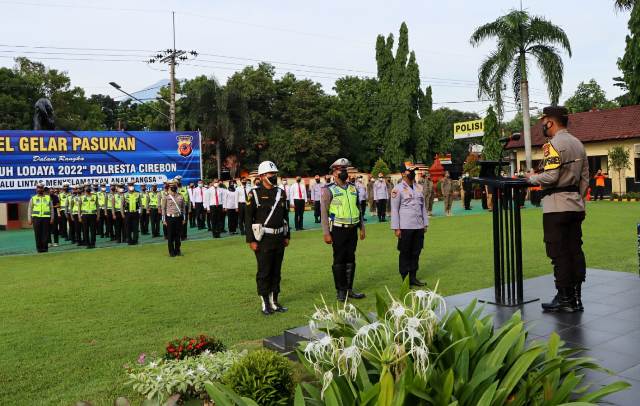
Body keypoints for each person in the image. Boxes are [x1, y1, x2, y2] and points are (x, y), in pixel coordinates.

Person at [525, 106, 589, 313]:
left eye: (543, 121)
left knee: (558, 252)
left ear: (550, 122)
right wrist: (578, 199)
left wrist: (531, 178)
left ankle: (564, 298)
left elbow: (550, 177)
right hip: (575, 205)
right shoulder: (578, 144)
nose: (542, 125)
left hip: (556, 207)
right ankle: (576, 297)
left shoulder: (552, 145)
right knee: (574, 250)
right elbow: (585, 179)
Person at [245, 161, 290, 315]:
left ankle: (275, 301)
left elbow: (285, 216)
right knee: (264, 272)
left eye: (275, 174)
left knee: (277, 271)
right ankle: (265, 303)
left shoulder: (281, 193)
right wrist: (251, 240)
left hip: (279, 237)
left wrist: (287, 235)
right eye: (271, 174)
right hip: (263, 239)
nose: (274, 176)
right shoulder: (254, 194)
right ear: (262, 176)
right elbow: (248, 218)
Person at [321, 158, 366, 302]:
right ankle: (341, 290)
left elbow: (358, 209)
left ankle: (349, 289)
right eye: (341, 170)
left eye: (345, 170)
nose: (344, 172)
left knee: (351, 258)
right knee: (339, 259)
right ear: (334, 172)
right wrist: (326, 233)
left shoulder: (353, 188)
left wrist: (362, 228)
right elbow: (324, 212)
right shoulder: (329, 190)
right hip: (338, 230)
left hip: (352, 229)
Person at [390, 163, 429, 286]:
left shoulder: (419, 187)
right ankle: (405, 279)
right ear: (403, 174)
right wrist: (396, 228)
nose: (412, 173)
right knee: (405, 252)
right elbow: (394, 209)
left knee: (416, 252)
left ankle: (413, 277)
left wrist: (425, 223)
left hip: (418, 226)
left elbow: (423, 207)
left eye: (413, 171)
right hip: (405, 227)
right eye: (409, 171)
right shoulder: (397, 189)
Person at [162, 180, 186, 257]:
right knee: (170, 236)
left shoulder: (181, 196)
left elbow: (183, 208)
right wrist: (163, 220)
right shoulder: (166, 197)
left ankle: (178, 251)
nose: (173, 187)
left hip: (178, 218)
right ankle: (171, 252)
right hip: (170, 218)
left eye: (174, 186)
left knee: (178, 236)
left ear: (176, 186)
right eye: (172, 186)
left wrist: (184, 218)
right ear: (169, 187)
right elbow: (163, 209)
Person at [28, 183, 53, 253]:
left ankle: (45, 248)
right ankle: (39, 248)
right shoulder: (33, 198)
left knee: (45, 234)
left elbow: (51, 208)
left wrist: (52, 218)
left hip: (46, 218)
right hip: (36, 218)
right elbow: (30, 209)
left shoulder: (48, 197)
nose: (39, 189)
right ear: (36, 189)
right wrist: (29, 219)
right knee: (37, 234)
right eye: (38, 188)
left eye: (41, 188)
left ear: (43, 189)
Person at [78, 185, 99, 249]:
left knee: (93, 230)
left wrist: (98, 215)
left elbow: (97, 206)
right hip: (85, 215)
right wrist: (79, 216)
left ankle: (93, 243)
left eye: (89, 187)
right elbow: (79, 207)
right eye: (86, 187)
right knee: (85, 230)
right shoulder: (81, 197)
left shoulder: (95, 196)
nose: (88, 188)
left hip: (93, 215)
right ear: (84, 189)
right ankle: (87, 244)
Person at [175, 176, 190, 240]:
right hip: (177, 208)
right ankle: (179, 236)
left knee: (184, 222)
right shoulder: (175, 189)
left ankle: (184, 236)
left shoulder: (185, 188)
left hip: (185, 207)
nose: (179, 181)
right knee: (178, 222)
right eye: (178, 180)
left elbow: (189, 199)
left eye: (180, 180)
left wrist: (189, 208)